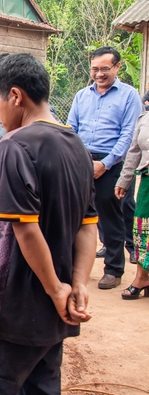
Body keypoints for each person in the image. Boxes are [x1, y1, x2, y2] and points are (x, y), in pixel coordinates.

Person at [0, 53, 97, 394]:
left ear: (16, 96)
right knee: (40, 386)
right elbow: (87, 226)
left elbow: (25, 228)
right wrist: (75, 284)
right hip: (53, 313)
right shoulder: (77, 145)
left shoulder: (16, 144)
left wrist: (55, 288)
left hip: (14, 309)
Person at [67, 46, 142, 289]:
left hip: (112, 162)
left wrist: (105, 163)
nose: (99, 74)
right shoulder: (82, 95)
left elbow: (129, 135)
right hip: (81, 158)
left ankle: (113, 269)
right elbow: (71, 128)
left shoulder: (130, 96)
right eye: (95, 69)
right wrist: (78, 158)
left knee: (110, 216)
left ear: (117, 67)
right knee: (73, 214)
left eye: (105, 69)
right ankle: (73, 266)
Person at [115, 111, 149, 299]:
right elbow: (134, 151)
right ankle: (142, 277)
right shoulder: (144, 118)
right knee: (143, 230)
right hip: (147, 182)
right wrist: (124, 180)